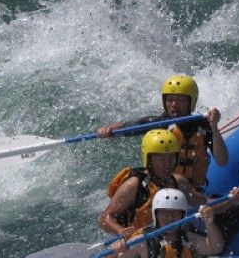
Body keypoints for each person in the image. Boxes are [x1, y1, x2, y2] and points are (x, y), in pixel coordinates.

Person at [98, 128, 239, 239]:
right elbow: (105, 218)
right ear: (149, 160)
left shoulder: (178, 182)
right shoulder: (134, 185)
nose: (167, 164)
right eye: (160, 160)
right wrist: (120, 231)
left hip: (168, 240)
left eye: (170, 159)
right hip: (139, 242)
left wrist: (231, 201)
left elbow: (204, 204)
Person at [97, 74, 228, 191]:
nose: (174, 105)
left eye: (180, 100)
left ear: (191, 102)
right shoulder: (159, 124)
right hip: (163, 193)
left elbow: (223, 161)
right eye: (170, 99)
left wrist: (214, 127)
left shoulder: (203, 125)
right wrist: (109, 130)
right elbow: (129, 126)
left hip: (194, 192)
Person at [100, 189, 225, 258]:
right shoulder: (143, 242)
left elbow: (215, 248)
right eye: (164, 212)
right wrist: (114, 250)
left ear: (183, 215)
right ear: (156, 215)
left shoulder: (188, 238)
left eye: (175, 212)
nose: (170, 217)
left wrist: (209, 223)